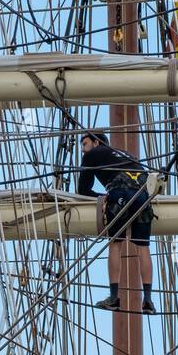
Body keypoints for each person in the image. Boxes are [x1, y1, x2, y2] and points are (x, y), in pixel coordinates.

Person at [76, 131, 156, 314]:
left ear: (96, 143)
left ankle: (114, 298)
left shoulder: (92, 155)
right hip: (142, 196)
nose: (83, 150)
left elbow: (82, 190)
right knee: (143, 247)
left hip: (119, 193)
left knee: (115, 244)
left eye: (85, 144)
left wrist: (103, 197)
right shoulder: (126, 154)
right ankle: (148, 299)